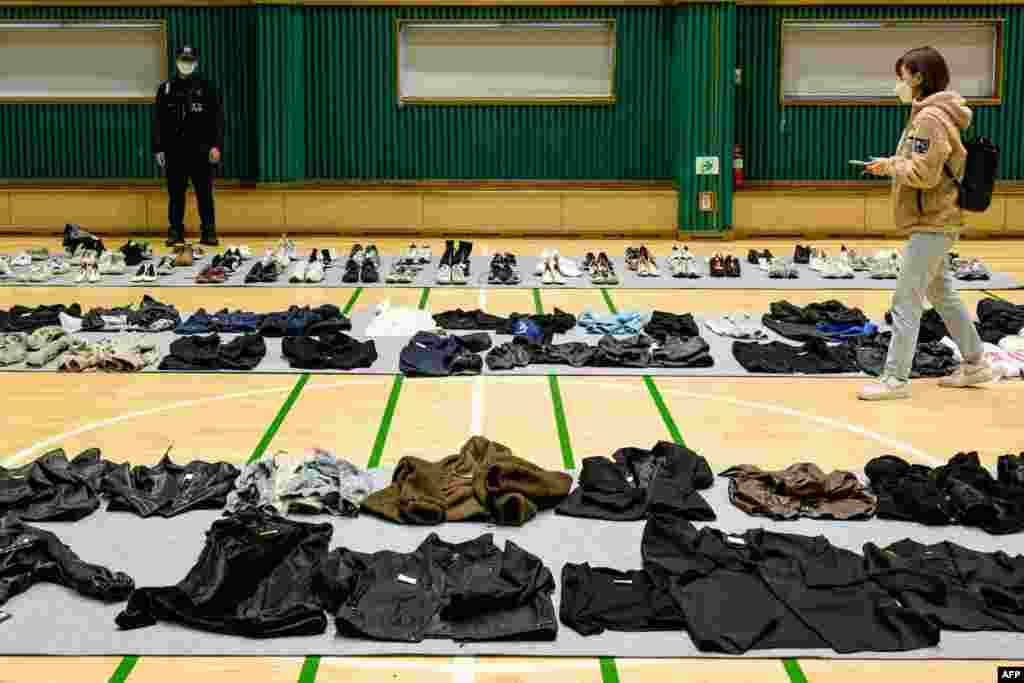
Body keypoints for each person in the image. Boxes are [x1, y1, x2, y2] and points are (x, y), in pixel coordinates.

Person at [859, 46, 992, 401]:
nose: (898, 85)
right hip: (936, 220)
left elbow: (924, 174)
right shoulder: (933, 114)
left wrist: (891, 167)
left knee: (906, 300)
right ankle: (976, 363)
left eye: (902, 77)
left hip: (934, 221)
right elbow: (923, 163)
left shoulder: (930, 118)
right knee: (942, 294)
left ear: (918, 77)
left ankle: (895, 379)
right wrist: (890, 162)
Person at [153, 45, 224, 247]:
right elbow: (158, 121)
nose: (186, 64)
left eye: (190, 60)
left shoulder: (207, 87)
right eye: (183, 60)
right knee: (176, 195)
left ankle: (209, 232)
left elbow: (217, 119)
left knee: (204, 194)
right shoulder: (166, 89)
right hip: (175, 151)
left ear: (196, 62)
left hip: (201, 150)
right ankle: (175, 232)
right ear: (177, 61)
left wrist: (216, 146)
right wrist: (158, 148)